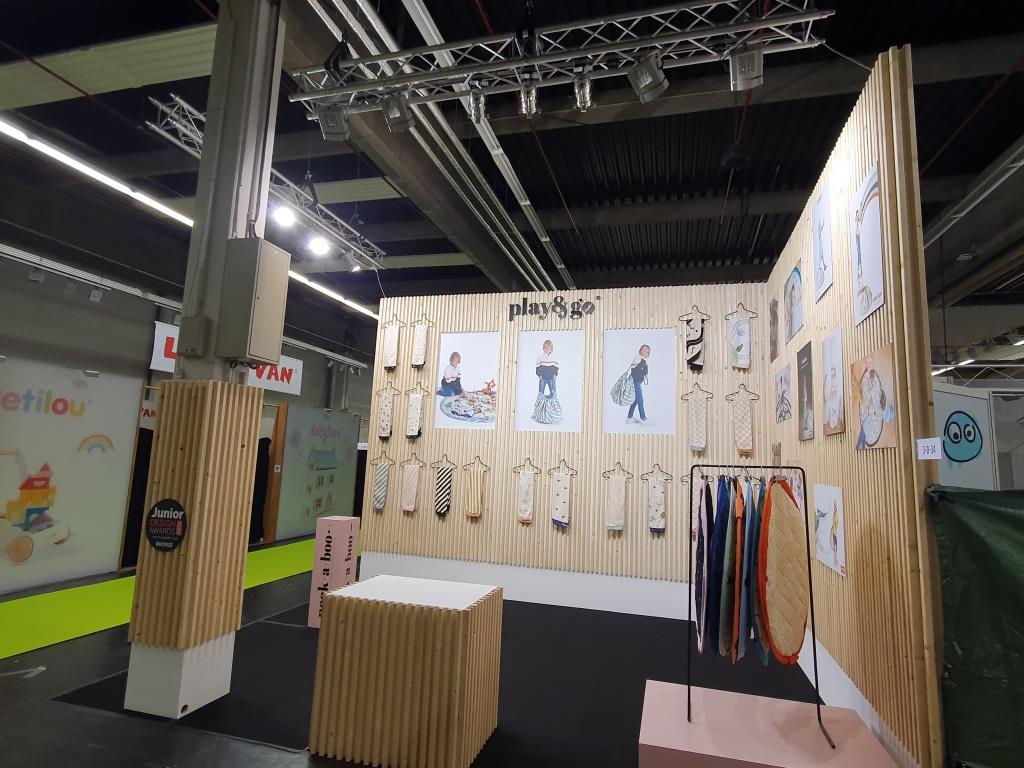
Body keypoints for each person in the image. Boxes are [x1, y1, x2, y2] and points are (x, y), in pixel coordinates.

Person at [627, 344, 650, 424]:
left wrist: (645, 367)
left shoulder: (643, 361)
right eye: (643, 350)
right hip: (635, 382)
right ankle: (643, 418)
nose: (644, 352)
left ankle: (629, 418)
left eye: (647, 352)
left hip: (637, 382)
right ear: (640, 350)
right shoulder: (638, 358)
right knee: (640, 400)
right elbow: (633, 367)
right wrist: (642, 363)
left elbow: (643, 372)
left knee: (636, 400)